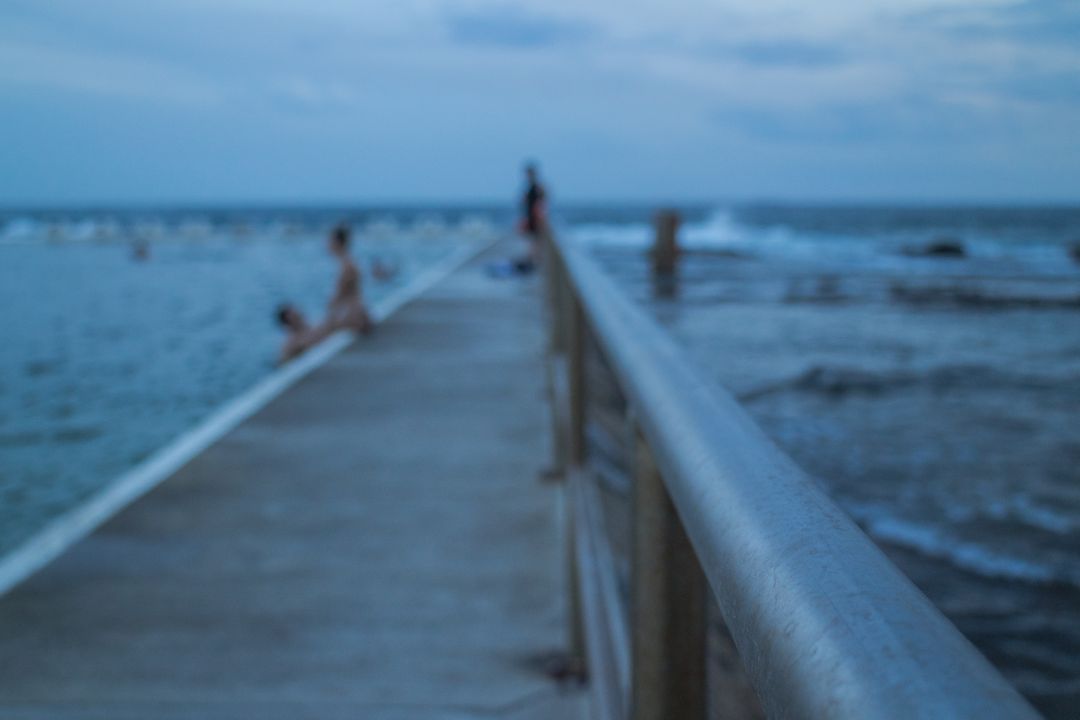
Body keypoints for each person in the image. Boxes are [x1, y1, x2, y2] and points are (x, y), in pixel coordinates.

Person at [326, 224, 373, 334]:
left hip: (354, 316)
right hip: (357, 313)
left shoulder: (347, 266)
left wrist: (329, 316)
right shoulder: (349, 263)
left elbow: (339, 296)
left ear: (337, 243)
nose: (328, 245)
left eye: (330, 241)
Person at [519, 162, 548, 269]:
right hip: (531, 217)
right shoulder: (533, 186)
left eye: (528, 174)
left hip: (535, 218)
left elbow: (541, 202)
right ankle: (534, 261)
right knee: (533, 240)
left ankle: (534, 262)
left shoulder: (536, 187)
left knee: (535, 240)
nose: (526, 176)